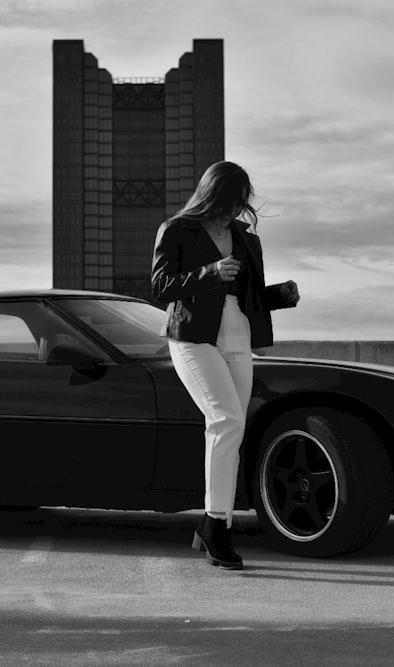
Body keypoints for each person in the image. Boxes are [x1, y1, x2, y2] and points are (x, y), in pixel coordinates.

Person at [150, 161, 299, 570]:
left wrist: (281, 295)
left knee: (232, 428)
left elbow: (249, 295)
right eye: (232, 200)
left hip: (238, 334)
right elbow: (161, 287)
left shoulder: (245, 239)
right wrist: (210, 272)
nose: (238, 209)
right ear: (214, 194)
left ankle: (215, 522)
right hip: (193, 336)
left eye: (242, 202)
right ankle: (217, 526)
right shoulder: (177, 229)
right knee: (226, 420)